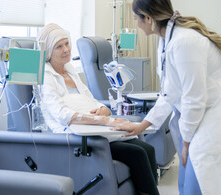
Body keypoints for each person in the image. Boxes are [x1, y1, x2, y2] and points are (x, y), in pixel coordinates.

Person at [113, 0, 221, 195]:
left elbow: (194, 98)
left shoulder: (184, 42)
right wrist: (142, 126)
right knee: (187, 186)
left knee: (205, 185)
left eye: (137, 18)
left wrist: (186, 143)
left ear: (148, 18)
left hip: (216, 124)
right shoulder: (166, 40)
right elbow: (169, 93)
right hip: (200, 123)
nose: (136, 24)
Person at [38, 23, 159, 195]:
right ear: (48, 51)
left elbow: (91, 100)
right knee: (137, 153)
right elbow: (62, 113)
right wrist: (102, 119)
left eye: (66, 43)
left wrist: (104, 110)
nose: (66, 49)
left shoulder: (70, 70)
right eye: (59, 46)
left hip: (96, 128)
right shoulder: (46, 76)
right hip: (75, 135)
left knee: (148, 149)